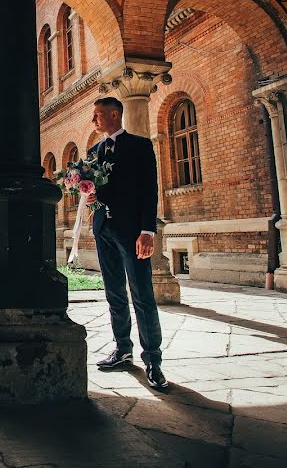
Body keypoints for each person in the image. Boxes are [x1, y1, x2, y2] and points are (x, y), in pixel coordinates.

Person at [86, 97, 168, 389]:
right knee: (114, 293)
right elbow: (96, 189)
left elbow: (149, 189)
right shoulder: (93, 151)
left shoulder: (140, 146)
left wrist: (148, 230)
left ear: (114, 114)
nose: (94, 120)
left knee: (142, 294)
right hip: (103, 229)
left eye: (98, 115)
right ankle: (123, 349)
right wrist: (92, 199)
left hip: (133, 231)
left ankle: (153, 360)